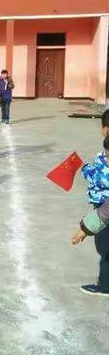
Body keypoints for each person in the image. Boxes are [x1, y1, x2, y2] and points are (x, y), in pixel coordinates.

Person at [72, 118, 109, 297]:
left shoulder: (104, 161)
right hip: (102, 206)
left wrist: (86, 228)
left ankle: (105, 285)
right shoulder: (102, 155)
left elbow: (100, 177)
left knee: (106, 249)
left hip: (104, 206)